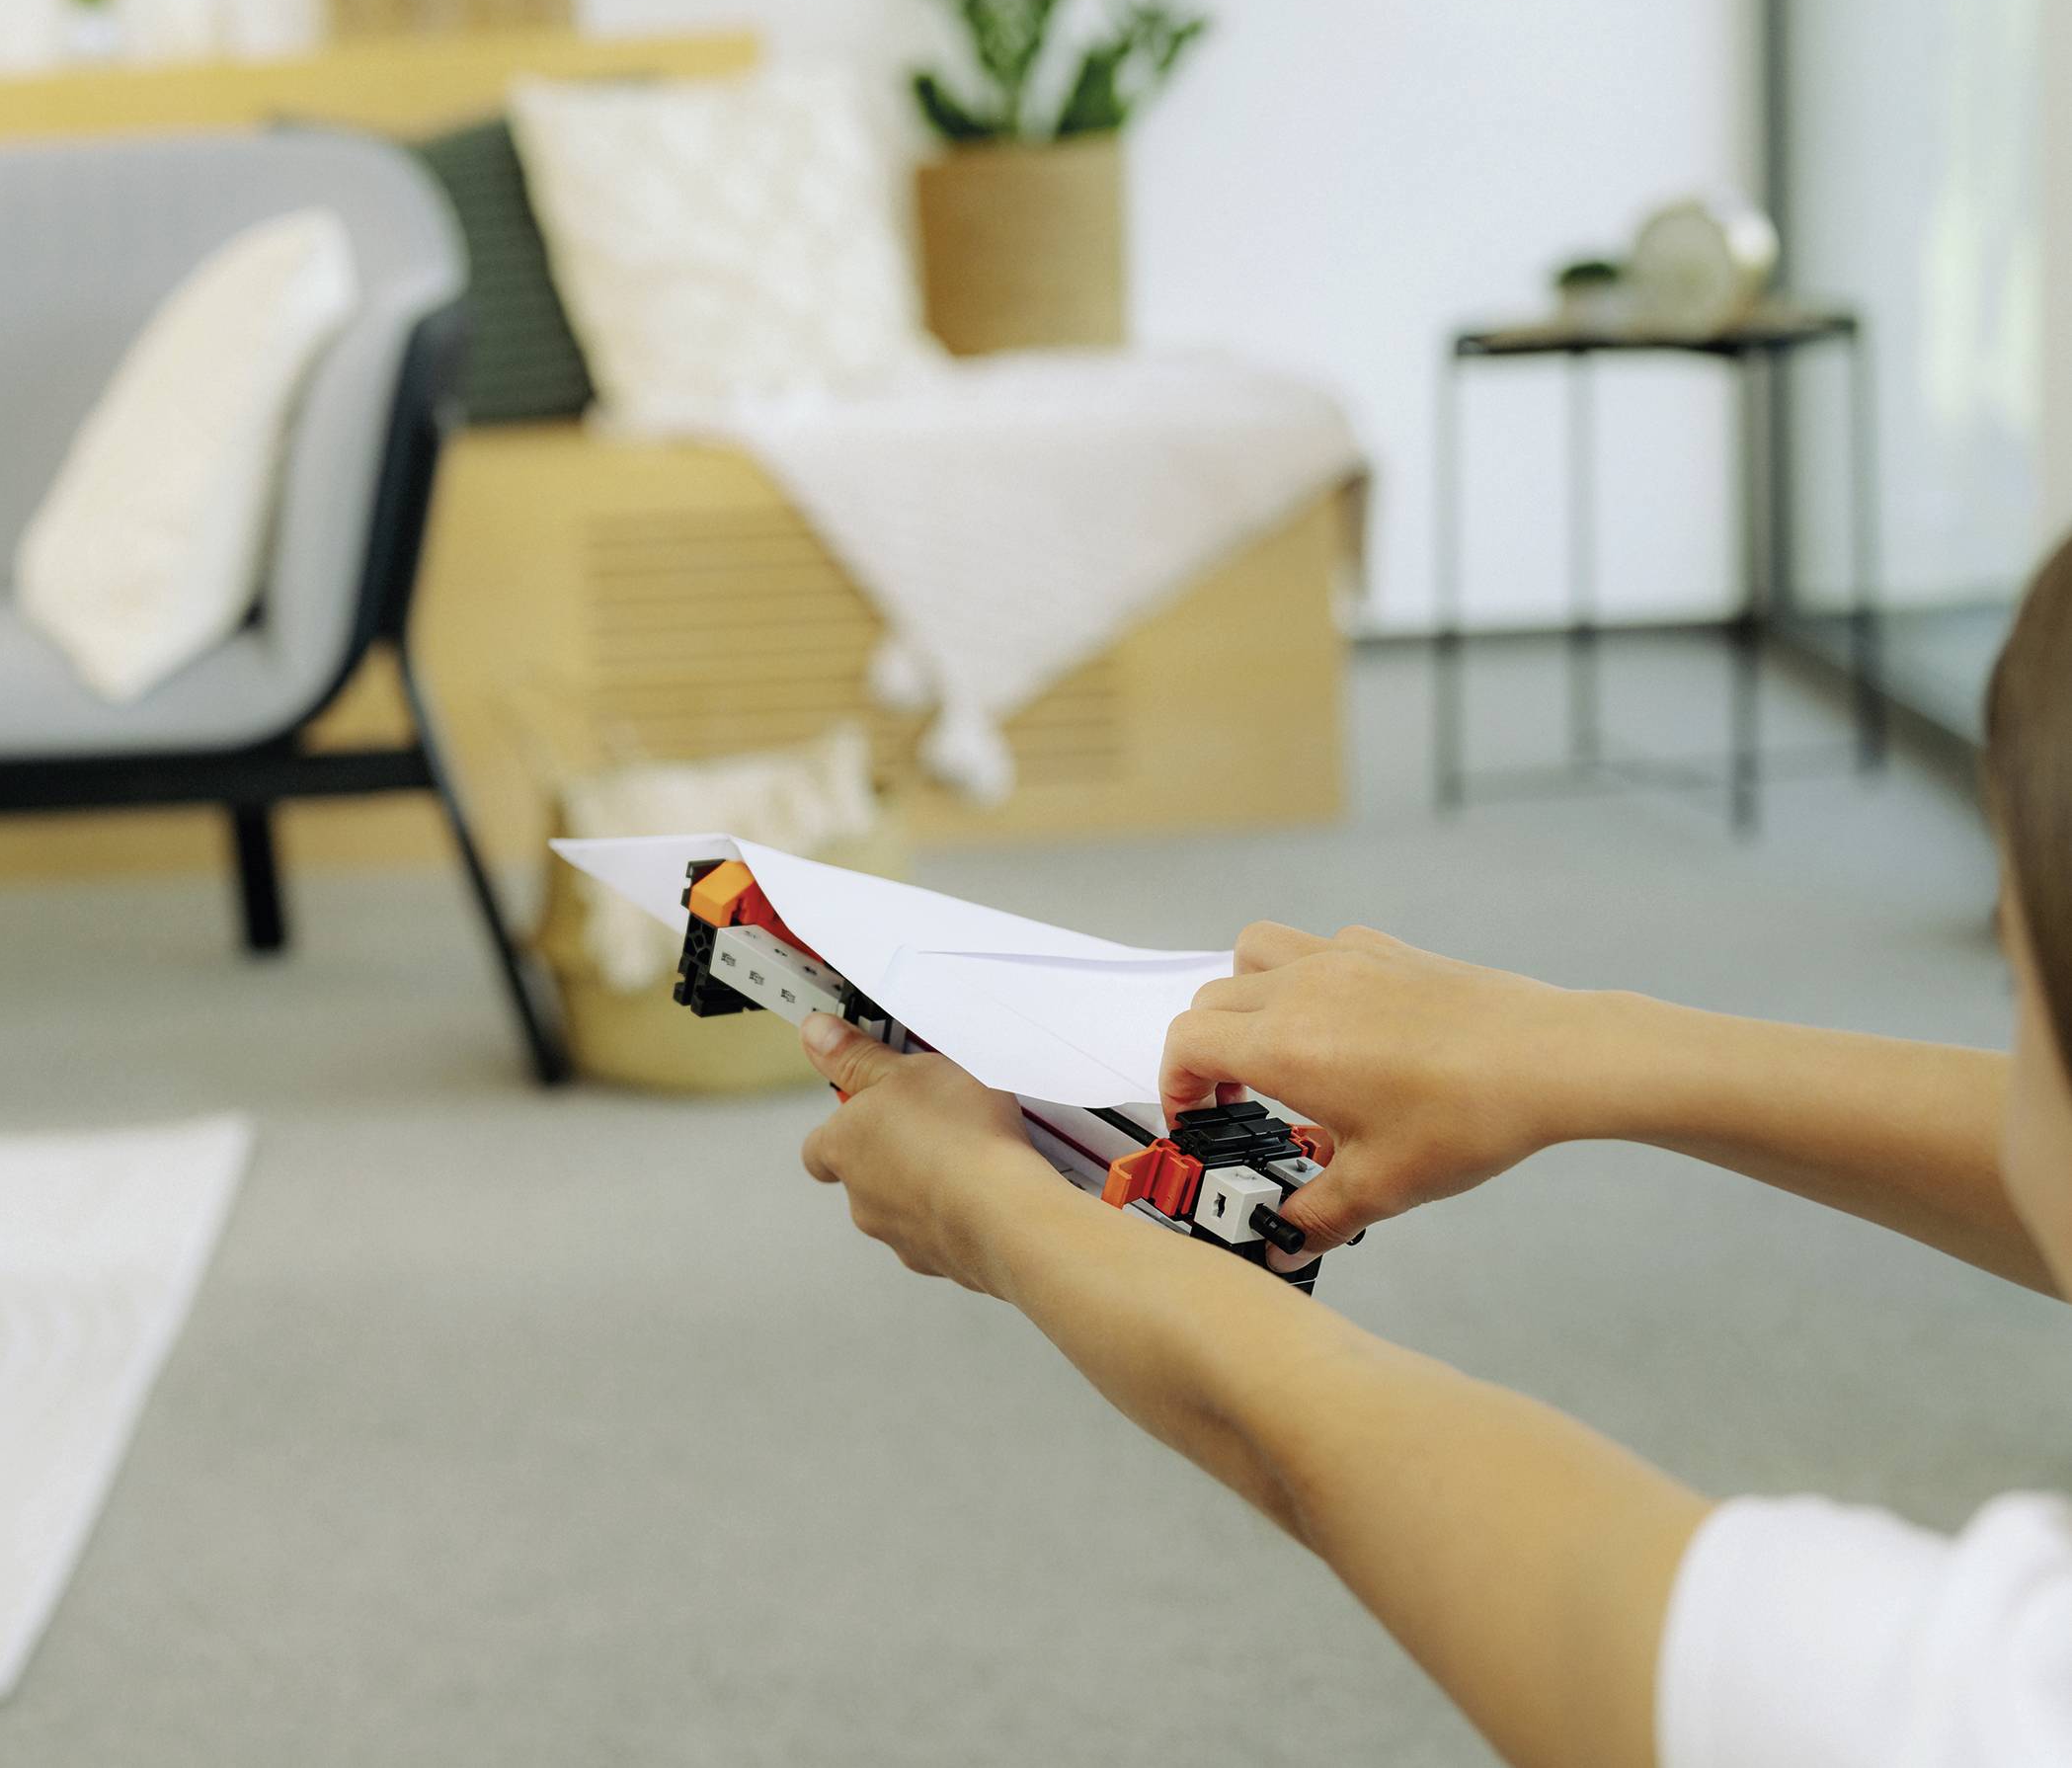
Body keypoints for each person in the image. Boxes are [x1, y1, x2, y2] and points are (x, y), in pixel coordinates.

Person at [792, 537, 2072, 1767]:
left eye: (2015, 988)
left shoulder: (2007, 1701)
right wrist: (1572, 1044)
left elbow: (1338, 1451)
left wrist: (996, 1208)